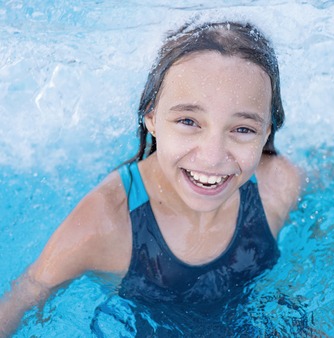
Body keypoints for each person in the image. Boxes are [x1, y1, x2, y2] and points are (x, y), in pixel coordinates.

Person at [0, 20, 302, 336]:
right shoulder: (107, 223)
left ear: (266, 131)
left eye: (243, 129)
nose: (213, 157)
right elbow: (27, 294)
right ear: (151, 117)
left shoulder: (277, 185)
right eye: (188, 121)